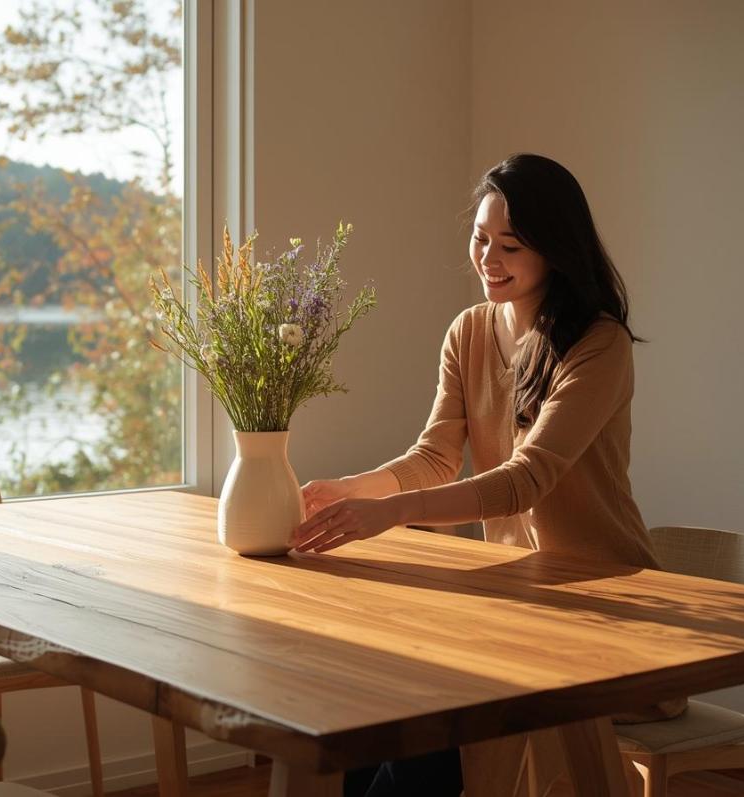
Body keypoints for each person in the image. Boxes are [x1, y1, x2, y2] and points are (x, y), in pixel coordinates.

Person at [291, 153, 683, 795]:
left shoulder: (599, 344)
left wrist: (390, 514)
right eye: (479, 239)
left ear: (555, 250)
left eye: (510, 245)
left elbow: (527, 478)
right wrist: (350, 490)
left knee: (429, 712)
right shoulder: (468, 332)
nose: (487, 258)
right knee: (376, 703)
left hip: (606, 608)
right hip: (514, 601)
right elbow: (435, 456)